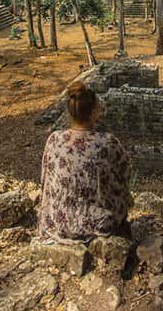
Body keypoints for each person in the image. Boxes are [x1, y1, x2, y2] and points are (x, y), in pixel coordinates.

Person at [37, 81, 133, 242]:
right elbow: (125, 173)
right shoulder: (107, 142)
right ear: (95, 112)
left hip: (55, 221)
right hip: (97, 222)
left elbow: (45, 179)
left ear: (70, 111)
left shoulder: (54, 139)